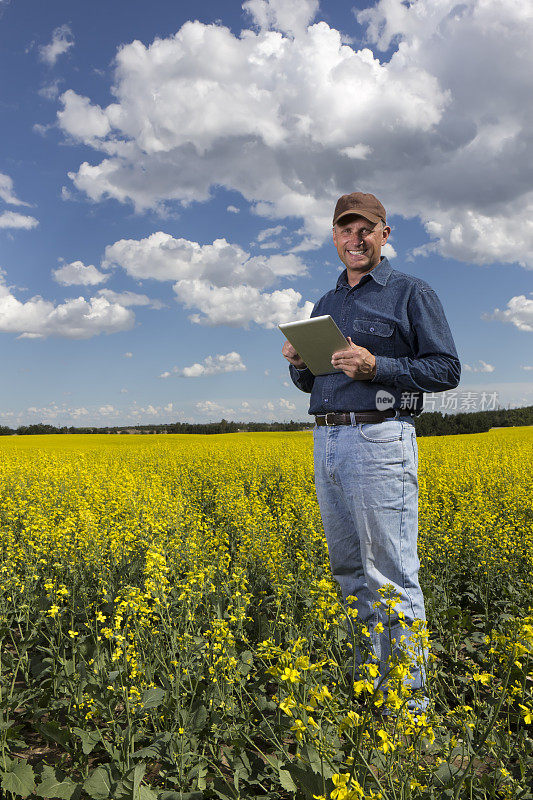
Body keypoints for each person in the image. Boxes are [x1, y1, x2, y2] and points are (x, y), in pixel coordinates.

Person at [282, 192, 460, 712]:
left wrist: (377, 366)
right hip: (328, 437)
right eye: (345, 230)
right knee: (349, 573)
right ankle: (370, 691)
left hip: (381, 438)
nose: (355, 240)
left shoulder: (411, 292)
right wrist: (297, 362)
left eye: (366, 229)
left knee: (391, 576)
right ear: (334, 237)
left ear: (385, 234)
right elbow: (310, 382)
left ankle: (406, 709)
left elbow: (445, 370)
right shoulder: (325, 304)